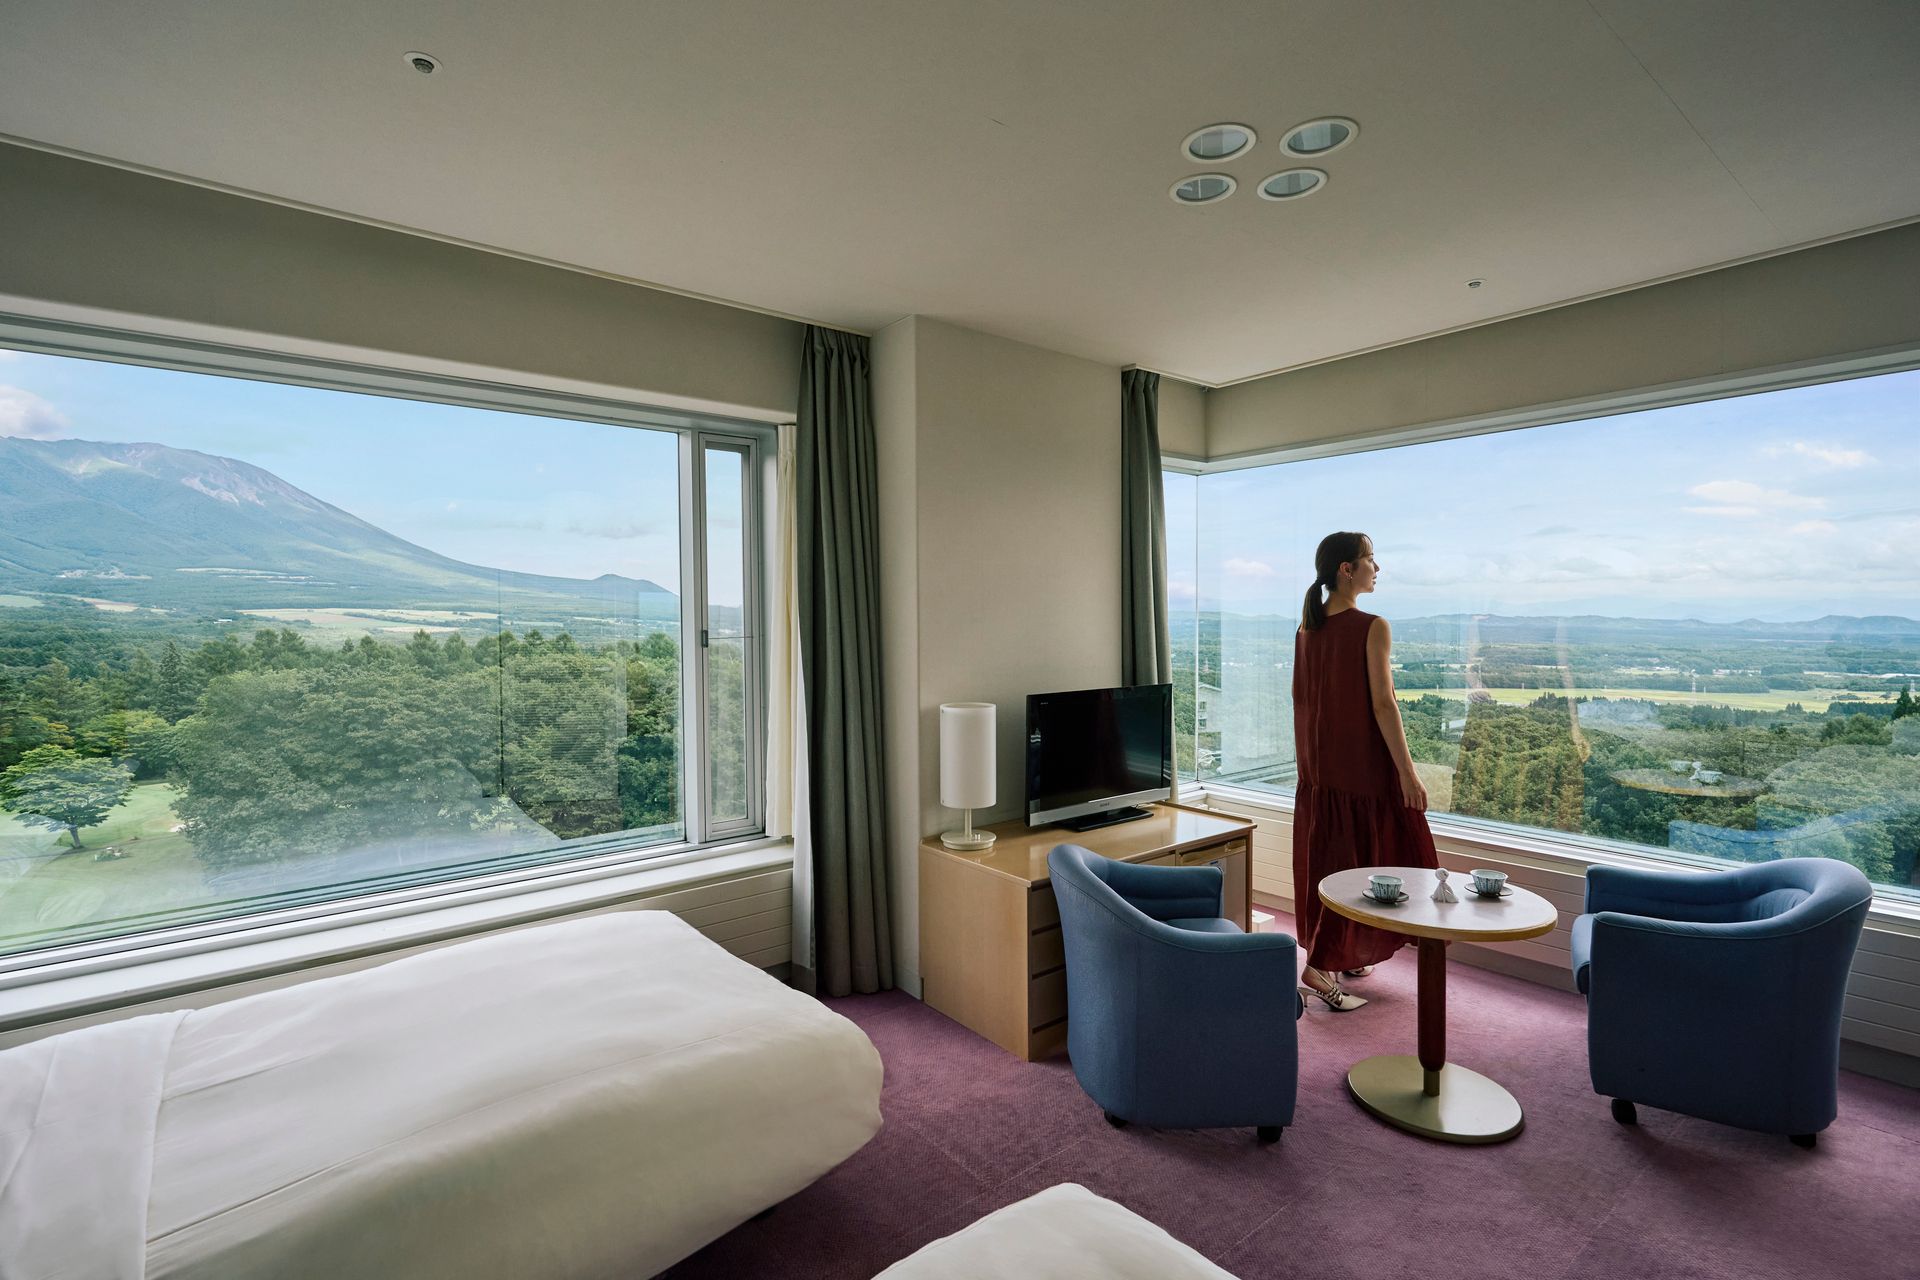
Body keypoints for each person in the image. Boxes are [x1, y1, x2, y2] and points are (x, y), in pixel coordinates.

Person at [1291, 531, 1438, 1011]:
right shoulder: (1372, 626)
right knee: (1368, 857)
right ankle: (1319, 965)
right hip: (1361, 767)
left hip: (1321, 771)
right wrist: (1408, 774)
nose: (1378, 567)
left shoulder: (1306, 628)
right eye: (1371, 559)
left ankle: (1345, 953)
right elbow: (1383, 704)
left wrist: (1312, 765)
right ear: (1346, 570)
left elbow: (1301, 702)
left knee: (1332, 859)